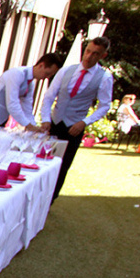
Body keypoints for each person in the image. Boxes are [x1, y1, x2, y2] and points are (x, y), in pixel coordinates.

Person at [39, 36, 113, 201]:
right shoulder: (66, 71)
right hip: (54, 124)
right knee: (42, 163)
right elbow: (49, 97)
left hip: (74, 128)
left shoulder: (104, 77)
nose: (89, 56)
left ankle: (49, 201)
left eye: (95, 54)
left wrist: (84, 122)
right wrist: (46, 119)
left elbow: (104, 106)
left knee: (62, 166)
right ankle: (37, 198)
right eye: (88, 51)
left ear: (103, 56)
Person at [0, 53, 62, 131]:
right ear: (41, 65)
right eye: (47, 73)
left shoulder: (30, 83)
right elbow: (12, 104)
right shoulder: (17, 74)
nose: (47, 77)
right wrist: (29, 126)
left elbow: (27, 108)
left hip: (2, 118)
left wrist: (34, 127)